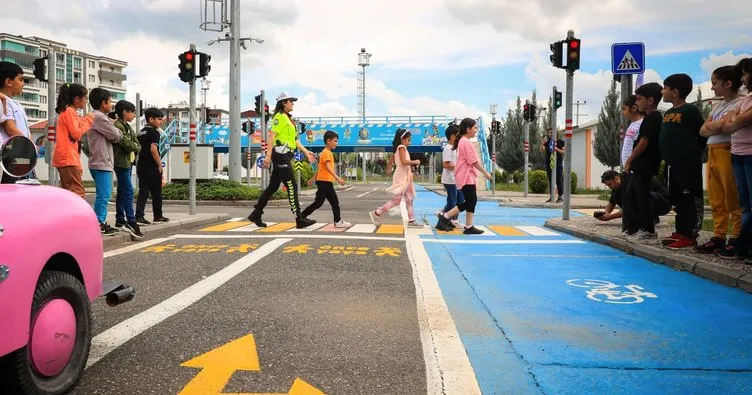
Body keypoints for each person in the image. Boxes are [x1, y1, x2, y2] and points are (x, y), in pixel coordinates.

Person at [248, 92, 317, 229]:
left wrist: (306, 151)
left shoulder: (288, 119)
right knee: (292, 185)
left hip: (285, 155)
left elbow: (294, 140)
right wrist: (267, 156)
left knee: (273, 186)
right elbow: (271, 136)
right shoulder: (279, 117)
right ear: (284, 103)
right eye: (291, 101)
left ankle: (256, 213)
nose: (293, 103)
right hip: (280, 155)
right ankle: (299, 218)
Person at [695, 65, 744, 253]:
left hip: (727, 150)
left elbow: (725, 126)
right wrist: (716, 125)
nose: (713, 88)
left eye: (715, 83)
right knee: (716, 197)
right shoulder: (719, 106)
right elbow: (703, 129)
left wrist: (714, 125)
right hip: (713, 151)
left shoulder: (741, 103)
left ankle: (737, 235)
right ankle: (719, 235)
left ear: (728, 83)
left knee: (732, 195)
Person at [658, 74, 707, 249]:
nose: (662, 91)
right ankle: (680, 231)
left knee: (689, 199)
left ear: (675, 92)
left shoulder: (690, 111)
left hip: (687, 164)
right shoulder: (669, 112)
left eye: (665, 88)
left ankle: (690, 235)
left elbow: (701, 134)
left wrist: (691, 154)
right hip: (672, 165)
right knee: (677, 199)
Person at [718, 58, 752, 260]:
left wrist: (737, 119)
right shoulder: (746, 100)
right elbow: (729, 125)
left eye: (745, 74)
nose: (742, 78)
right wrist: (737, 119)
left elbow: (738, 120)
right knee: (745, 203)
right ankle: (744, 246)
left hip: (750, 155)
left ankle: (743, 244)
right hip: (737, 154)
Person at [435, 118, 493, 234]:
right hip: (466, 176)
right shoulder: (465, 142)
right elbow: (474, 162)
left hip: (465, 176)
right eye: (475, 128)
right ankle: (445, 216)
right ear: (468, 129)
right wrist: (486, 173)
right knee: (469, 202)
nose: (476, 130)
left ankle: (468, 226)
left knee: (471, 201)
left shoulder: (463, 141)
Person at [626, 82, 664, 241]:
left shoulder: (652, 118)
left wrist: (629, 160)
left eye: (639, 99)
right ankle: (638, 228)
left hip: (645, 163)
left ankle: (648, 230)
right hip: (642, 163)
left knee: (640, 195)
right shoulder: (650, 118)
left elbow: (644, 142)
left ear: (650, 100)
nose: (636, 102)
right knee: (631, 195)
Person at [369, 129, 424, 228]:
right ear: (403, 139)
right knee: (397, 200)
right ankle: (376, 213)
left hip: (405, 176)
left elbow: (391, 160)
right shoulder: (402, 147)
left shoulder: (399, 148)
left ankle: (411, 220)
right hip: (402, 177)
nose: (410, 143)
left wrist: (389, 168)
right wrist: (415, 161)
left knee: (409, 198)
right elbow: (403, 161)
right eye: (408, 140)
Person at [85, 88, 122, 235]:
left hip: (98, 160)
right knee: (104, 194)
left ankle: (99, 222)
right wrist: (113, 126)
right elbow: (116, 135)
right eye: (110, 101)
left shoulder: (95, 116)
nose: (111, 104)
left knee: (104, 194)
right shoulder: (99, 117)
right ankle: (99, 223)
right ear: (103, 103)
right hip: (102, 162)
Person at [300, 131, 351, 227]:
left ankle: (302, 216)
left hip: (323, 181)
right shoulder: (327, 153)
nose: (337, 143)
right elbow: (328, 167)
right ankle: (337, 221)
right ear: (328, 141)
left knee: (320, 202)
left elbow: (321, 169)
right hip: (325, 182)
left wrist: (312, 179)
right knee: (333, 202)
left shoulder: (324, 152)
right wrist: (338, 178)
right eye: (335, 141)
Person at [53, 83, 93, 197]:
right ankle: (75, 215)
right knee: (77, 193)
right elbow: (76, 134)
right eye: (85, 98)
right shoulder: (70, 112)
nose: (86, 101)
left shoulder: (69, 112)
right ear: (77, 99)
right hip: (68, 158)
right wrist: (89, 120)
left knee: (70, 193)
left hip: (67, 157)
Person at [112, 100, 143, 238]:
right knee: (128, 191)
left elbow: (136, 143)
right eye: (133, 112)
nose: (135, 115)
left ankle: (120, 218)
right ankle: (130, 220)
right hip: (121, 162)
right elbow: (129, 145)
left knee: (122, 190)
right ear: (125, 112)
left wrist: (135, 146)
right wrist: (135, 146)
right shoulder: (118, 126)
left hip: (127, 162)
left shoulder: (128, 127)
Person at [596, 170, 670, 225]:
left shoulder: (630, 181)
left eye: (610, 184)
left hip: (664, 204)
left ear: (616, 178)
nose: (610, 187)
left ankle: (651, 218)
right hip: (651, 201)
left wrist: (610, 217)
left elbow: (628, 207)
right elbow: (612, 202)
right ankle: (641, 217)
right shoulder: (617, 186)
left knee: (640, 194)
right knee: (617, 196)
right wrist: (605, 213)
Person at [0, 61, 32, 184]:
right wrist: (28, 144)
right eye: (21, 79)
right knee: (13, 191)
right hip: (14, 155)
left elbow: (25, 129)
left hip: (23, 153)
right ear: (8, 82)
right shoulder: (4, 102)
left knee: (26, 187)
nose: (23, 84)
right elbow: (11, 129)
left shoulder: (15, 104)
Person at [136, 108, 169, 224]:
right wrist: (160, 165)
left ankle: (139, 216)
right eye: (159, 119)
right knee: (157, 192)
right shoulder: (154, 132)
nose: (161, 122)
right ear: (151, 119)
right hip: (151, 166)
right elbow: (153, 150)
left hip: (141, 164)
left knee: (143, 191)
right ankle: (158, 216)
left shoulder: (141, 132)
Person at [619, 95, 644, 235]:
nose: (623, 112)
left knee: (634, 199)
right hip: (628, 168)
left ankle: (637, 228)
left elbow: (641, 145)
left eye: (624, 108)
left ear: (634, 108)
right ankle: (630, 228)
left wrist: (630, 162)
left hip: (634, 167)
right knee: (627, 199)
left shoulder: (642, 123)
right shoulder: (632, 125)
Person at [436, 123, 465, 228]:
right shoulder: (448, 148)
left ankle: (452, 219)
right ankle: (444, 216)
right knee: (452, 202)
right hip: (450, 179)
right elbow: (445, 164)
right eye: (459, 136)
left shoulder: (454, 148)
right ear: (453, 137)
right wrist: (458, 165)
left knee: (461, 201)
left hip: (457, 179)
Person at [541, 127, 564, 203]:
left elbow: (564, 152)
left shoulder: (560, 142)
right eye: (549, 132)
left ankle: (560, 196)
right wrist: (542, 143)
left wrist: (557, 149)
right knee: (551, 180)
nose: (551, 133)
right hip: (549, 163)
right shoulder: (547, 143)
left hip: (558, 163)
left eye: (552, 132)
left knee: (558, 180)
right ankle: (552, 196)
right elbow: (542, 150)